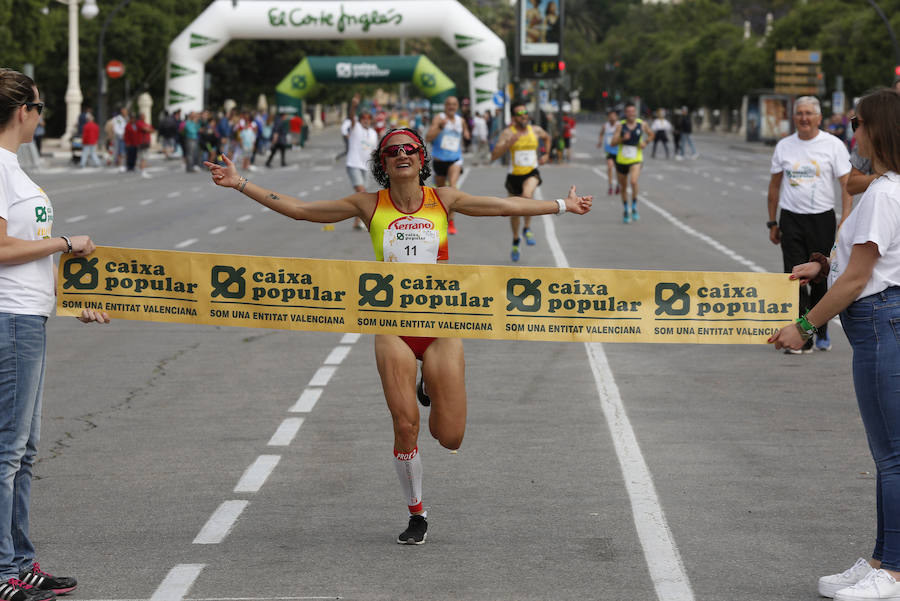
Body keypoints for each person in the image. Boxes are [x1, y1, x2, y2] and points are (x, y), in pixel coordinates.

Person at [205, 125, 592, 546]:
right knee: (406, 425)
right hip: (392, 327)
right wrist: (239, 183)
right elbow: (300, 209)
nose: (401, 154)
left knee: (450, 437)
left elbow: (503, 205)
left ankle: (429, 378)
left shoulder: (445, 199)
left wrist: (561, 205)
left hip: (442, 325)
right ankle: (417, 513)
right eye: (392, 151)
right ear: (383, 164)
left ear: (422, 159)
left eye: (410, 149)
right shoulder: (368, 205)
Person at [768, 89, 900, 601]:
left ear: (878, 129)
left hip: (878, 322)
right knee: (887, 452)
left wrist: (804, 325)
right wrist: (823, 264)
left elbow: (857, 282)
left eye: (858, 122)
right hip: (877, 322)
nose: (853, 131)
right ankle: (881, 559)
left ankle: (893, 572)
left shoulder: (885, 194)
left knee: (892, 456)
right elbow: (859, 267)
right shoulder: (884, 189)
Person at [0, 67, 109, 601]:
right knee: (8, 449)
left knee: (24, 450)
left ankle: (20, 562)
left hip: (30, 316)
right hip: (10, 319)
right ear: (23, 112)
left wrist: (74, 302)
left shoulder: (14, 168)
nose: (42, 116)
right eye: (40, 108)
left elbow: (27, 255)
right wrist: (65, 242)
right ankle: (3, 572)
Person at [767, 95, 851, 353]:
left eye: (808, 113)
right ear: (794, 117)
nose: (804, 118)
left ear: (818, 118)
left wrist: (845, 218)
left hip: (822, 218)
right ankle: (802, 337)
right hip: (791, 218)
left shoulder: (833, 145)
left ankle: (821, 329)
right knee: (794, 277)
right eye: (799, 113)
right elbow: (774, 185)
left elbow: (847, 185)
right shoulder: (784, 146)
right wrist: (772, 221)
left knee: (820, 278)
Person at [489, 99, 552, 262]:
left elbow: (547, 137)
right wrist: (508, 144)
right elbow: (494, 155)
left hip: (531, 172)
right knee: (514, 210)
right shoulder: (508, 133)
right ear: (514, 117)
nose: (523, 116)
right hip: (513, 176)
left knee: (527, 195)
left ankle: (527, 227)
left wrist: (546, 154)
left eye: (525, 113)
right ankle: (516, 239)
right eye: (519, 114)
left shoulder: (535, 130)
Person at [425, 96, 470, 236]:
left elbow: (466, 134)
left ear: (457, 106)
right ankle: (442, 218)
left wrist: (467, 136)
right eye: (449, 104)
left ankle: (451, 220)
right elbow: (428, 138)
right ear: (445, 106)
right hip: (439, 160)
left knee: (452, 187)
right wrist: (439, 127)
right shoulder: (439, 118)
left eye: (454, 104)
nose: (451, 106)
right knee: (441, 192)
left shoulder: (460, 120)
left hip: (455, 160)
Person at [611, 102, 653, 224]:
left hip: (636, 159)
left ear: (635, 112)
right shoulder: (620, 126)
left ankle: (634, 205)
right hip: (621, 160)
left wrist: (645, 142)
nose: (631, 114)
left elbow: (651, 135)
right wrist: (622, 139)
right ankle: (626, 209)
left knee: (633, 181)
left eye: (632, 111)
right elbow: (613, 142)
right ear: (625, 113)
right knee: (623, 187)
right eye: (628, 112)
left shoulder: (642, 124)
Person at [344, 95, 377, 230]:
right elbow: (352, 116)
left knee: (361, 196)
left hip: (366, 167)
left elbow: (374, 151)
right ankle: (365, 220)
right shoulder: (355, 127)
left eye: (369, 118)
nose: (366, 120)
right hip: (353, 164)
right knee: (362, 193)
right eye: (364, 118)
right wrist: (353, 106)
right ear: (360, 119)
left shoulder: (373, 133)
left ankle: (356, 222)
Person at [598, 109, 619, 196]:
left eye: (614, 116)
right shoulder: (605, 126)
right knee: (610, 167)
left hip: (618, 150)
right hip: (609, 150)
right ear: (608, 117)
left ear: (616, 117)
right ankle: (610, 186)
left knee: (618, 170)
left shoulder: (619, 125)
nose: (612, 117)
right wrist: (600, 142)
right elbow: (601, 134)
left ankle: (618, 185)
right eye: (610, 116)